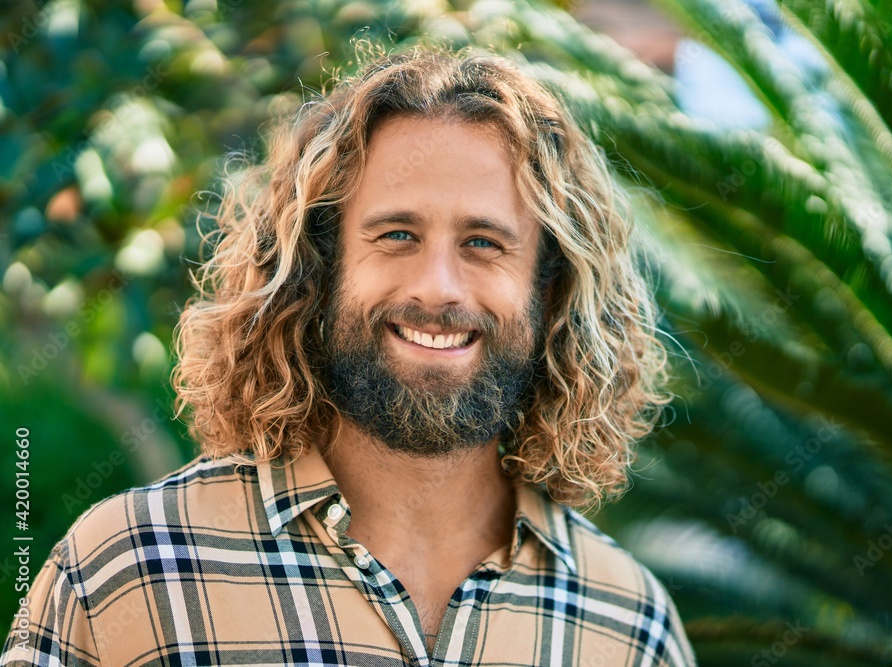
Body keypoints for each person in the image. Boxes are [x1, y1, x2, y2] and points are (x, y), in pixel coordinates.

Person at [2, 48, 696, 666]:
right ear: (319, 268)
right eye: (397, 234)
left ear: (551, 287)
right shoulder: (126, 574)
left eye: (484, 242)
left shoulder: (631, 626)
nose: (438, 287)